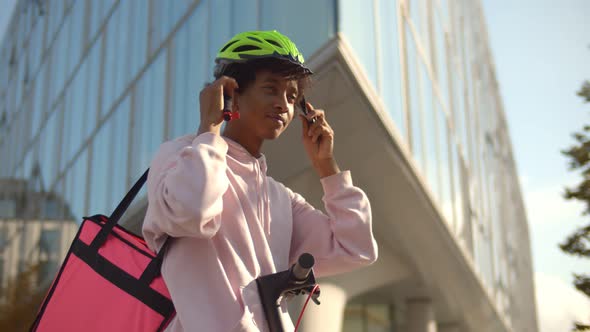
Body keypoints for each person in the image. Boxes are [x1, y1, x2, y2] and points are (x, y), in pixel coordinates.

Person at [142, 30, 378, 332]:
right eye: (271, 89)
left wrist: (326, 167)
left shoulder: (281, 198)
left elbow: (355, 248)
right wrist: (209, 128)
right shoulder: (179, 156)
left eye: (292, 97)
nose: (284, 104)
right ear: (231, 93)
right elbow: (193, 212)